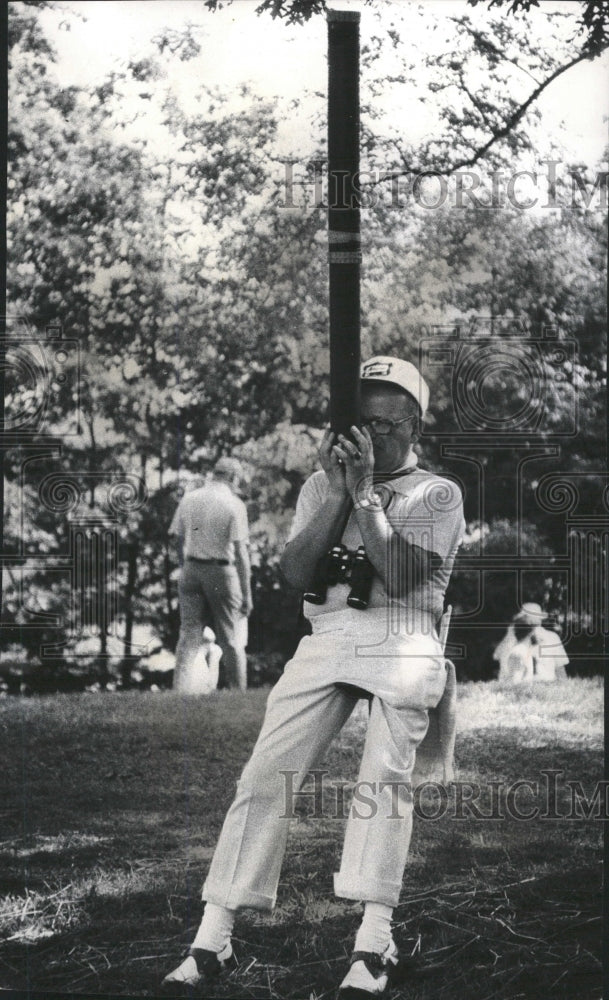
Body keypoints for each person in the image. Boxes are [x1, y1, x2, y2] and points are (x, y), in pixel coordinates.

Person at [161, 356, 465, 999]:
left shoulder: (438, 492)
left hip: (404, 636)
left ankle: (373, 938)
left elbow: (406, 577)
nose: (370, 435)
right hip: (327, 635)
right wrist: (335, 494)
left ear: (414, 425)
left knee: (383, 778)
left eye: (386, 423)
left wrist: (363, 496)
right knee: (265, 772)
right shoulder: (318, 487)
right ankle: (213, 932)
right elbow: (296, 573)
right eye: (363, 421)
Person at [169, 456, 253, 693]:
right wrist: (247, 595)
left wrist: (184, 564)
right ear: (233, 477)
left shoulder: (189, 498)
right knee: (231, 637)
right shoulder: (234, 504)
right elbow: (241, 554)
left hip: (191, 568)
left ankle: (180, 692)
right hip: (222, 571)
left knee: (188, 635)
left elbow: (177, 538)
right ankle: (238, 693)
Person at [495, 602, 569, 682]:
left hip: (545, 686)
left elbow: (560, 670)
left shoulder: (552, 638)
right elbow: (502, 668)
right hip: (521, 686)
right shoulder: (511, 638)